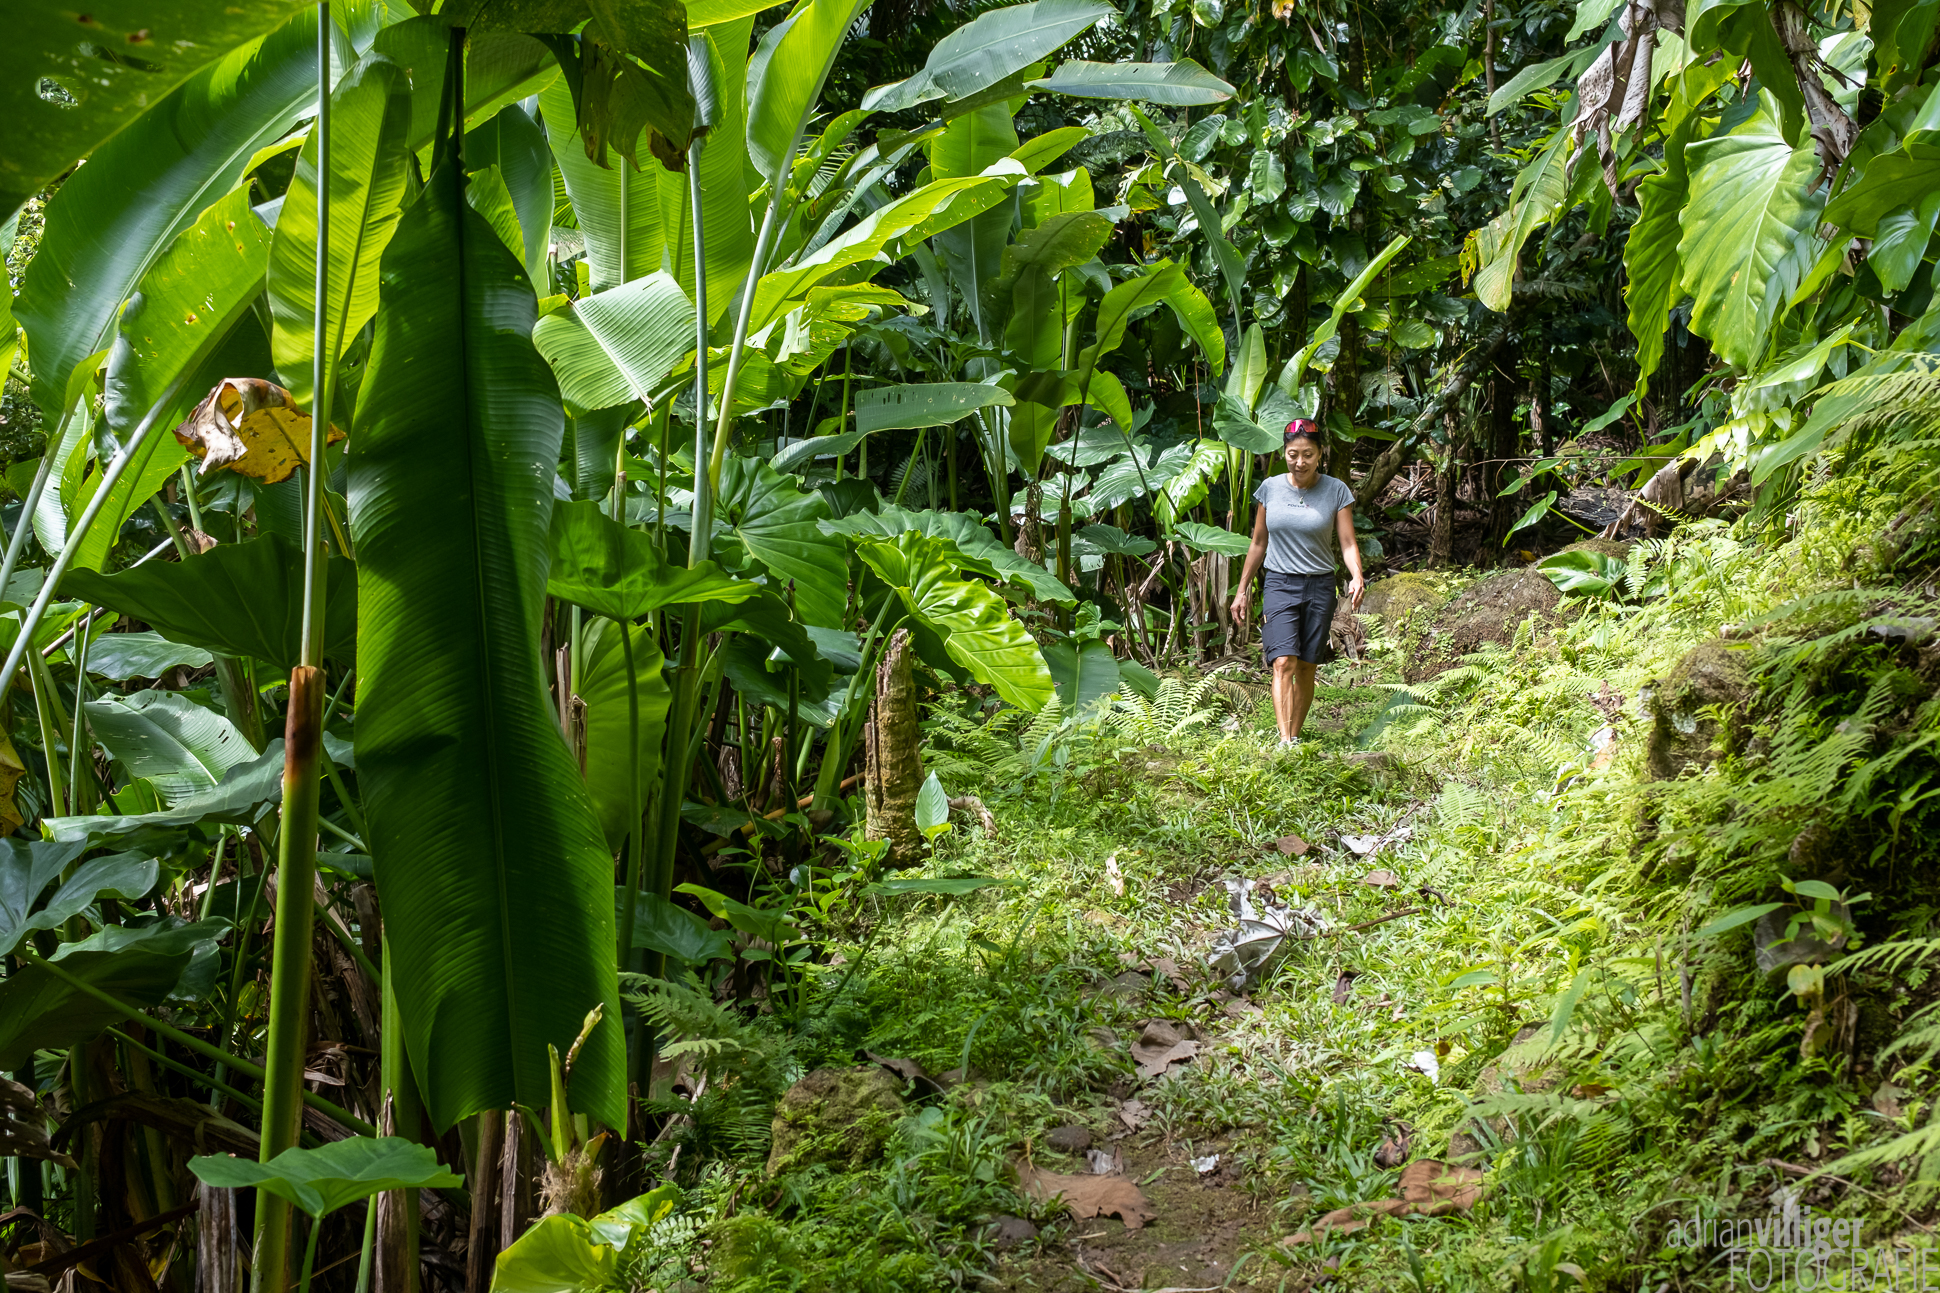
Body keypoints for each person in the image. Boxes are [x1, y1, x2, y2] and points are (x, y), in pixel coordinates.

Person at [1229, 419, 1366, 747]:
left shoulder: (1336, 490)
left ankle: (1294, 735)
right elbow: (1258, 542)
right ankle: (1285, 742)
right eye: (1293, 454)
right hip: (1279, 584)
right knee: (1283, 661)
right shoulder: (1270, 488)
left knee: (1306, 665)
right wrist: (1242, 590)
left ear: (1320, 454)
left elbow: (1347, 542)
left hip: (1320, 586)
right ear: (1284, 453)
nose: (1300, 462)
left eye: (1307, 454)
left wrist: (1357, 575)